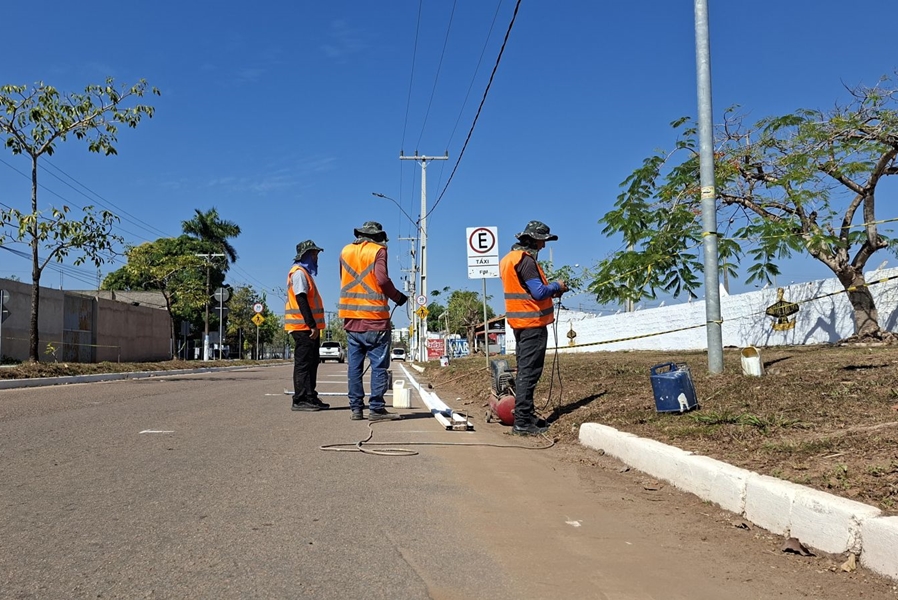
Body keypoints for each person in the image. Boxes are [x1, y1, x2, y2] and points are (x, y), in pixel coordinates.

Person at [499, 220, 568, 435]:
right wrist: (557, 286)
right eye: (542, 241)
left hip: (520, 324)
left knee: (524, 371)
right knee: (529, 373)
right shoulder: (526, 261)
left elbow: (526, 292)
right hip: (532, 324)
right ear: (533, 240)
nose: (544, 246)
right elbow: (538, 292)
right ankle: (522, 422)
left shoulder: (508, 259)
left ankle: (526, 416)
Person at [339, 221, 408, 421]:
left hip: (351, 319)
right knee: (378, 365)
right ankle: (376, 409)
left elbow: (342, 278)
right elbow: (382, 280)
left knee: (354, 367)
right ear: (377, 236)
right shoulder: (378, 251)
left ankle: (356, 409)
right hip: (375, 319)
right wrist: (398, 297)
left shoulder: (345, 251)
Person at [285, 240, 329, 412]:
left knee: (312, 362)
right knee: (303, 364)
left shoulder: (305, 273)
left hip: (308, 327)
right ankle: (301, 399)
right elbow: (301, 299)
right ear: (305, 255)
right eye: (314, 254)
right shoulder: (299, 273)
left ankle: (310, 396)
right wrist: (311, 324)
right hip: (303, 327)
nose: (316, 257)